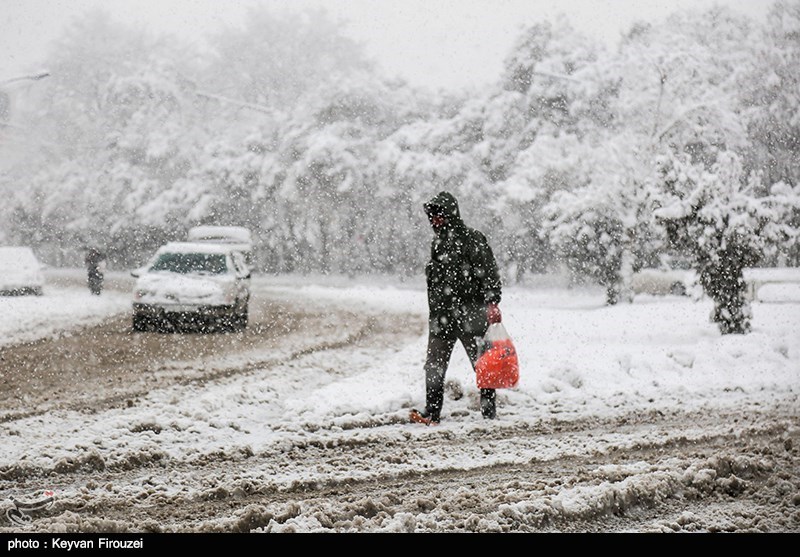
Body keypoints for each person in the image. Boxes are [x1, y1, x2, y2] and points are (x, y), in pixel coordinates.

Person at [410, 191, 503, 426]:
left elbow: (489, 272)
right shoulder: (438, 243)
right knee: (433, 365)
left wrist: (492, 303)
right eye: (431, 217)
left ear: (450, 215)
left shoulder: (473, 239)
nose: (434, 221)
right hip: (441, 317)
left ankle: (488, 411)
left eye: (438, 216)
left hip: (470, 315)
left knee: (482, 365)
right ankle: (432, 413)